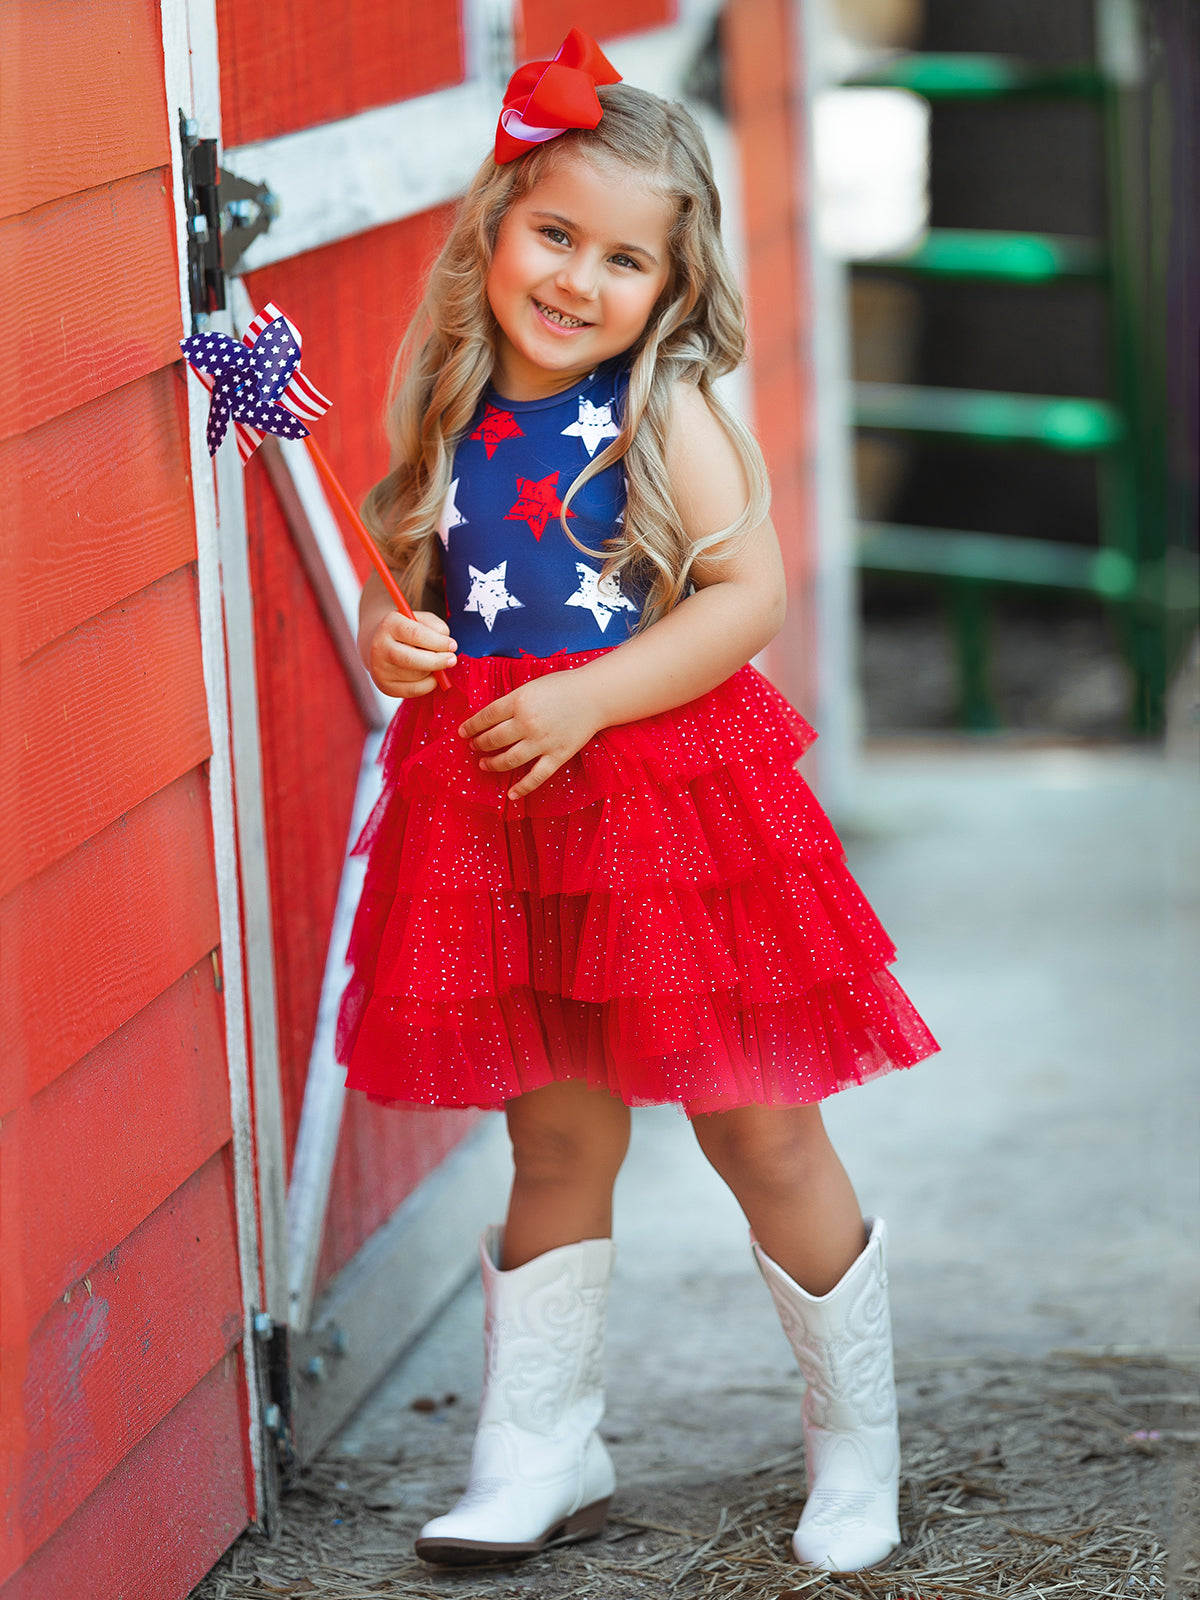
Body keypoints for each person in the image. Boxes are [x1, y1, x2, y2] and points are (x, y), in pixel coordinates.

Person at [337, 28, 938, 1577]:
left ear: (671, 294)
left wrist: (595, 696)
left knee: (761, 1125)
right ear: (494, 227)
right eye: (556, 235)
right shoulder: (447, 412)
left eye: (624, 261)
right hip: (504, 811)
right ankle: (541, 1447)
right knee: (553, 1136)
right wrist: (392, 643)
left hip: (668, 805)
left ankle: (857, 1447)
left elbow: (746, 597)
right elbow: (413, 600)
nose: (579, 281)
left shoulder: (662, 414)